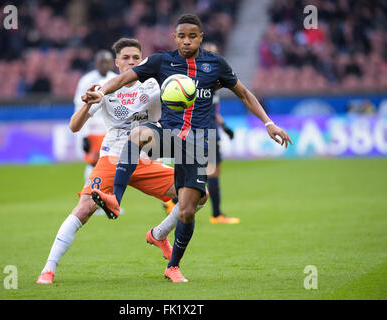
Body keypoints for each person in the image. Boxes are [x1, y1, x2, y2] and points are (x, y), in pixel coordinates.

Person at [86, 14, 293, 283]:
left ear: (201, 37)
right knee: (137, 134)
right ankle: (115, 199)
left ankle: (173, 265)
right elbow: (124, 78)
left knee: (187, 209)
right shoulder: (162, 60)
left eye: (192, 36)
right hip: (168, 134)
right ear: (175, 37)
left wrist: (269, 123)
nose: (186, 41)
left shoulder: (215, 64)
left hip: (197, 142)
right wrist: (101, 92)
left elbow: (243, 93)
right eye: (182, 36)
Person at [36, 38, 207, 285]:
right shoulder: (105, 89)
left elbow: (179, 101)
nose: (131, 62)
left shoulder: (155, 85)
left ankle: (158, 235)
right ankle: (48, 269)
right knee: (83, 209)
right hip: (113, 157)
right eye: (126, 58)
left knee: (198, 196)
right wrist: (87, 105)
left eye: (136, 58)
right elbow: (74, 126)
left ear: (142, 60)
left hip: (146, 158)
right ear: (116, 62)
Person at [201, 42, 240, 224]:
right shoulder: (211, 81)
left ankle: (173, 201)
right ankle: (216, 214)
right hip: (206, 132)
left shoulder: (200, 80)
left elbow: (213, 111)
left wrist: (224, 126)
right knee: (212, 174)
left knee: (199, 173)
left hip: (204, 130)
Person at [73, 50, 116, 182]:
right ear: (96, 63)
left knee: (111, 164)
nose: (104, 65)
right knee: (93, 162)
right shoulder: (86, 80)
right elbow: (79, 107)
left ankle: (107, 196)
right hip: (93, 128)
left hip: (111, 127)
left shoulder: (116, 79)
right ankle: (90, 191)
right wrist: (83, 134)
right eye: (101, 62)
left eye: (107, 62)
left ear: (112, 64)